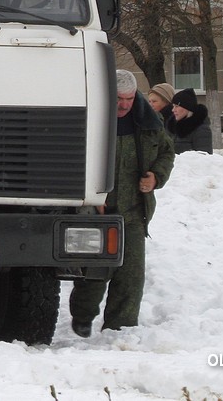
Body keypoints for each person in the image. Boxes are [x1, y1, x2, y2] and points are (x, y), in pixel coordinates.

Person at [69, 70, 175, 336]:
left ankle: (121, 327)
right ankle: (83, 315)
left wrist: (155, 177)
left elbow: (166, 152)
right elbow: (74, 159)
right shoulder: (91, 119)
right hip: (97, 209)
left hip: (133, 209)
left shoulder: (148, 122)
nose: (124, 104)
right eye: (118, 98)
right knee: (95, 270)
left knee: (131, 275)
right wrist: (93, 196)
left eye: (129, 98)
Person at [168, 88, 213, 154]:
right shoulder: (173, 128)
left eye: (176, 106)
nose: (173, 110)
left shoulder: (201, 130)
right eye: (173, 106)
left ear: (187, 108)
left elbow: (203, 158)